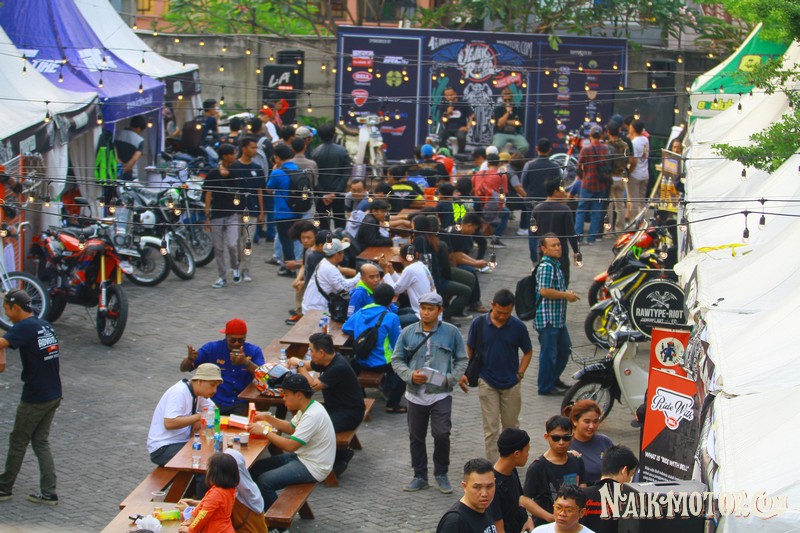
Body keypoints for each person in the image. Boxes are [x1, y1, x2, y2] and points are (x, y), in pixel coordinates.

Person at [392, 292, 467, 494]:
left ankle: (441, 473)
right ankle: (419, 476)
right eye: (423, 308)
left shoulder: (451, 332)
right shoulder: (408, 332)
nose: (425, 312)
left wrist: (450, 379)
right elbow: (397, 359)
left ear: (439, 310)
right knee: (416, 436)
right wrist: (410, 375)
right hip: (414, 394)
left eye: (430, 309)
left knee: (442, 433)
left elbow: (462, 359)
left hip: (441, 393)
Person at [0, 290, 62, 505]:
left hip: (36, 397)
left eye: (6, 309)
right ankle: (49, 491)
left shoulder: (24, 327)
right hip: (54, 393)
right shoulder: (44, 325)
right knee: (40, 441)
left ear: (16, 307)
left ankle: (4, 487)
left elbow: (2, 343)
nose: (6, 314)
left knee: (18, 441)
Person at [460, 289, 532, 463]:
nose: (502, 316)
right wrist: (470, 368)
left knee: (511, 427)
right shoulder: (479, 324)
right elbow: (469, 347)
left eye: (507, 313)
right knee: (491, 428)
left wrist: (520, 373)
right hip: (487, 381)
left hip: (511, 383)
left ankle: (510, 462)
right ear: (492, 305)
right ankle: (494, 465)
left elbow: (528, 352)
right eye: (499, 312)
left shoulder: (518, 327)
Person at [247, 374, 336, 511]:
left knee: (265, 481)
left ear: (299, 395)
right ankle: (254, 510)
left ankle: (275, 520)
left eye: (286, 395)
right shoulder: (308, 407)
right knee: (254, 469)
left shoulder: (312, 415)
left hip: (313, 466)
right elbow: (291, 428)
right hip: (302, 457)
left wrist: (264, 432)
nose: (284, 398)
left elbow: (291, 446)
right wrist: (268, 418)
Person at [180, 318, 265, 416]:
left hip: (240, 402)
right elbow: (184, 368)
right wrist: (189, 359)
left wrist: (246, 362)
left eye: (241, 340)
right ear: (226, 336)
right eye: (232, 340)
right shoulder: (211, 348)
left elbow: (264, 375)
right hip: (214, 401)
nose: (236, 343)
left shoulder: (254, 351)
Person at [343, 284, 406, 413]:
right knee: (404, 369)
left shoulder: (361, 312)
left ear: (373, 297)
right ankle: (392, 403)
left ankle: (362, 398)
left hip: (360, 360)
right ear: (391, 300)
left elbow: (346, 327)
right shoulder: (391, 317)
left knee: (352, 366)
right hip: (382, 363)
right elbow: (397, 343)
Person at [287, 333, 365, 433]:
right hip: (333, 407)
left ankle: (298, 439)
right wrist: (291, 363)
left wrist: (300, 364)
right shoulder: (326, 359)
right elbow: (307, 365)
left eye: (311, 350)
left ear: (321, 353)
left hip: (349, 413)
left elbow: (312, 386)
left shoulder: (338, 367)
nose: (309, 354)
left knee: (313, 429)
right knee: (304, 418)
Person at [147, 363, 222, 466]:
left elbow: (215, 410)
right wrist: (199, 417)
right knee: (206, 457)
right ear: (200, 381)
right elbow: (169, 423)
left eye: (217, 386)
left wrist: (199, 419)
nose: (215, 390)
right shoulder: (179, 392)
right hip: (163, 448)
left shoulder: (199, 393)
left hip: (180, 442)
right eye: (212, 385)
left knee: (213, 451)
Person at [178, 449, 268, 533]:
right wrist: (193, 510)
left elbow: (205, 513)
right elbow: (215, 505)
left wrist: (191, 529)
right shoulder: (231, 489)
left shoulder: (218, 492)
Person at [535, 235, 579, 395]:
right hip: (548, 319)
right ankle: (545, 386)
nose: (557, 248)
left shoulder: (555, 265)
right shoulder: (546, 266)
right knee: (548, 355)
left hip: (557, 318)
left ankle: (553, 379)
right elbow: (544, 291)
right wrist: (566, 295)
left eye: (559, 245)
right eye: (553, 245)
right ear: (543, 249)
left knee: (565, 349)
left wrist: (566, 293)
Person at [523, 416, 586, 527]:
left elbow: (583, 486)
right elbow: (525, 499)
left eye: (566, 438)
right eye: (556, 438)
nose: (561, 442)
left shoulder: (577, 461)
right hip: (545, 525)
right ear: (547, 437)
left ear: (572, 437)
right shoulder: (537, 467)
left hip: (572, 525)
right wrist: (549, 517)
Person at [204, 143, 242, 289]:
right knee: (218, 248)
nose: (235, 156)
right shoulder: (213, 174)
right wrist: (207, 216)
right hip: (217, 215)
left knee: (232, 244)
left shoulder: (236, 170)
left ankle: (235, 267)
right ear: (225, 156)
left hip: (232, 214)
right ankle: (222, 276)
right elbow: (208, 195)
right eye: (233, 153)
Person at [231, 137, 267, 282]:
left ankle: (245, 269)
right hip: (235, 211)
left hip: (252, 210)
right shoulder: (234, 167)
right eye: (252, 147)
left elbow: (260, 191)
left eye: (256, 147)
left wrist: (262, 212)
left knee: (247, 241)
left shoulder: (257, 169)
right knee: (234, 241)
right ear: (244, 148)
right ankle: (236, 266)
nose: (255, 151)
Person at [532, 178, 580, 286]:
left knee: (544, 281)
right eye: (562, 189)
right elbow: (571, 233)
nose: (565, 192)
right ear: (555, 192)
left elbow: (534, 232)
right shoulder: (565, 210)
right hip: (560, 252)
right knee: (562, 282)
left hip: (543, 251)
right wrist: (576, 251)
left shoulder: (537, 209)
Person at [581, 445, 638, 533]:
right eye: (631, 475)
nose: (630, 480)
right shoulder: (629, 499)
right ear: (624, 470)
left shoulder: (582, 495)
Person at [488, 428, 535, 533]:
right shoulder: (492, 485)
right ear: (517, 454)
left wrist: (527, 519)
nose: (528, 455)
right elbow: (499, 528)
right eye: (527, 451)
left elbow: (519, 500)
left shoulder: (511, 470)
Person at [177, 452, 238, 533]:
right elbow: (204, 504)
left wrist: (191, 529)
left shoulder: (216, 493)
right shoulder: (229, 489)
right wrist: (191, 518)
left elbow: (203, 514)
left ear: (214, 473)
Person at [381, 243, 436, 328]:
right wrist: (391, 271)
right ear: (416, 254)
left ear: (400, 258)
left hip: (423, 316)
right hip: (430, 312)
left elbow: (394, 290)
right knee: (397, 312)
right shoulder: (420, 265)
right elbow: (403, 283)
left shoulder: (410, 269)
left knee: (389, 322)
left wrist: (385, 271)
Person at [267, 143, 302, 276]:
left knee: (286, 241)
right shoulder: (298, 169)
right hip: (298, 211)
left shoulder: (277, 172)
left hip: (283, 212)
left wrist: (273, 170)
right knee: (295, 240)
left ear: (277, 157)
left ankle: (290, 269)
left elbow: (269, 189)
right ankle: (296, 265)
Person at [435, 458, 497, 533]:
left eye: (489, 486)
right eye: (477, 487)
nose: (484, 494)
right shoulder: (455, 522)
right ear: (464, 486)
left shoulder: (485, 506)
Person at [301, 238, 361, 315]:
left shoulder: (324, 262)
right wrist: (361, 274)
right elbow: (346, 287)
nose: (343, 255)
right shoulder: (329, 268)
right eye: (342, 252)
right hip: (316, 310)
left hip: (311, 306)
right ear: (336, 254)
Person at [574, 125, 610, 245]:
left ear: (590, 135)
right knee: (596, 211)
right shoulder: (605, 148)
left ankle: (578, 237)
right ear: (601, 135)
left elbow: (579, 166)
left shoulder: (586, 149)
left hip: (587, 183)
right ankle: (591, 238)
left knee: (581, 210)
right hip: (601, 184)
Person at [311, 123, 352, 229]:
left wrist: (324, 194)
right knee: (340, 222)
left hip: (322, 195)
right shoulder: (342, 151)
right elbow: (346, 173)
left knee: (323, 224)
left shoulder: (315, 153)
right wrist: (336, 192)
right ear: (334, 134)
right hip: (338, 193)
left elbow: (314, 177)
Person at [564, 400, 614, 485]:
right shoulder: (566, 446)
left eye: (595, 421)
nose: (592, 426)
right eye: (587, 422)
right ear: (575, 421)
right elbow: (569, 484)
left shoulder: (605, 441)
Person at [522, 138, 563, 238]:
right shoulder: (556, 167)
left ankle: (534, 248)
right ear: (550, 150)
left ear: (537, 148)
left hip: (532, 202)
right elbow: (559, 185)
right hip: (550, 203)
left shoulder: (529, 165)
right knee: (549, 230)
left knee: (533, 230)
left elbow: (523, 183)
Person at [284, 221, 319, 324]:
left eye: (308, 238)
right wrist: (298, 279)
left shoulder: (318, 250)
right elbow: (304, 264)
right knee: (299, 280)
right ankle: (300, 310)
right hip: (311, 274)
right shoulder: (307, 248)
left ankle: (302, 313)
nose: (304, 241)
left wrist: (304, 282)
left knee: (303, 284)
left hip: (319, 277)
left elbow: (318, 271)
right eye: (302, 238)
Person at [473, 153, 510, 247]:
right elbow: (503, 195)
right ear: (499, 164)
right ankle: (495, 239)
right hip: (491, 207)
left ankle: (477, 238)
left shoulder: (477, 174)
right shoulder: (502, 176)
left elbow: (472, 188)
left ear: (488, 163)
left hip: (476, 206)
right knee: (506, 213)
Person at [605, 122, 631, 233]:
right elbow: (628, 159)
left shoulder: (607, 146)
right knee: (620, 205)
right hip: (621, 177)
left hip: (610, 177)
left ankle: (608, 229)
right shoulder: (625, 145)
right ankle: (620, 228)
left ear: (608, 132)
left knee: (609, 206)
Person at [438, 86, 474, 154]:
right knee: (440, 136)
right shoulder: (443, 105)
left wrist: (467, 127)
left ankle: (460, 153)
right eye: (447, 96)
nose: (449, 97)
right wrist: (448, 113)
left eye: (451, 95)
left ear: (455, 94)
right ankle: (446, 152)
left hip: (460, 129)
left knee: (461, 137)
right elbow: (442, 121)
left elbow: (472, 116)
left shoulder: (463, 104)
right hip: (448, 129)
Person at [492, 88, 529, 154]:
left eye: (509, 100)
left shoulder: (517, 109)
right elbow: (499, 124)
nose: (507, 102)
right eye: (505, 100)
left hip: (515, 133)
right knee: (495, 147)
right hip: (501, 133)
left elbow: (519, 123)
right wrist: (508, 112)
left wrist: (505, 121)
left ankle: (515, 157)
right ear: (502, 99)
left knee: (525, 146)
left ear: (512, 98)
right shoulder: (498, 109)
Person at [627, 120, 650, 218]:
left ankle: (634, 222)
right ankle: (642, 221)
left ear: (633, 128)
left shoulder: (633, 143)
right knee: (641, 200)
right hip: (645, 173)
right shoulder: (645, 140)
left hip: (635, 175)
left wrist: (629, 172)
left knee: (633, 201)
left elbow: (634, 161)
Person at [114, 115, 147, 181]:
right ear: (138, 128)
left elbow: (114, 153)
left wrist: (119, 170)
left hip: (115, 170)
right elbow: (133, 160)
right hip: (130, 175)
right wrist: (122, 171)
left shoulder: (117, 134)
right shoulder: (140, 141)